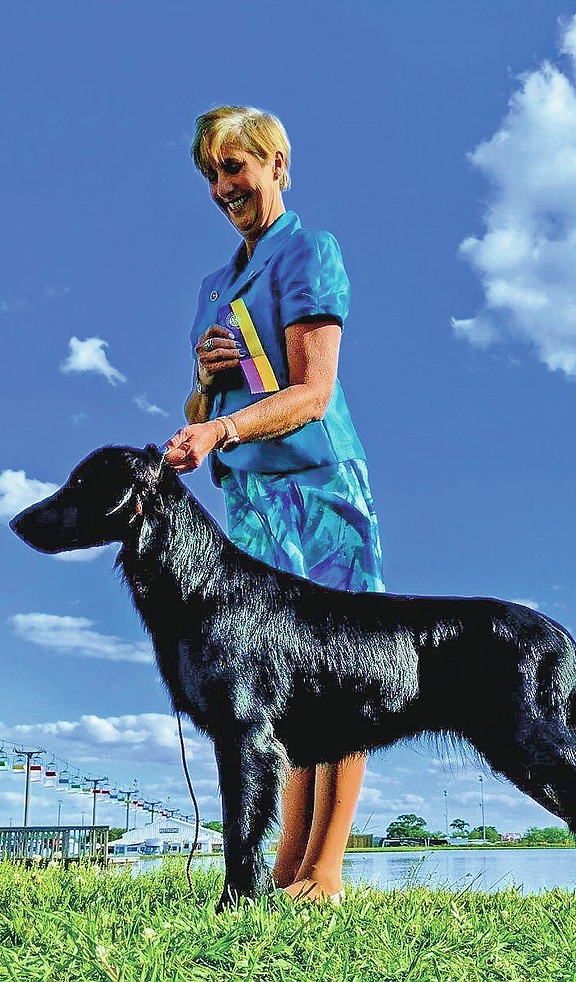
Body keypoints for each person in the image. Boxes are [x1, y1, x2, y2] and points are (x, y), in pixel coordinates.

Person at [164, 106, 384, 902]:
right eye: (213, 175)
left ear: (278, 164)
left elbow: (313, 393)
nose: (225, 187)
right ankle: (285, 862)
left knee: (346, 668)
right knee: (277, 678)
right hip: (250, 498)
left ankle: (325, 870)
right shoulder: (213, 286)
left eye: (237, 168)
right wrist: (203, 386)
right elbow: (205, 413)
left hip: (317, 489)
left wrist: (219, 420)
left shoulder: (310, 252)